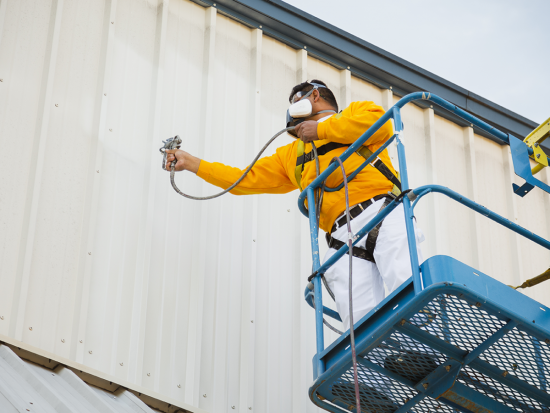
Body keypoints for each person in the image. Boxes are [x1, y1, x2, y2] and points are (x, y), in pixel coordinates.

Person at [165, 80, 424, 331]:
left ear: (315, 96)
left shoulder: (357, 112)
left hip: (382, 211)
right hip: (340, 236)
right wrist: (192, 163)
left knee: (405, 278)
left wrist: (321, 130)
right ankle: (383, 363)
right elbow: (243, 178)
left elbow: (382, 127)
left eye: (297, 98)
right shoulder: (292, 155)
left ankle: (426, 347)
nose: (292, 105)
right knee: (359, 317)